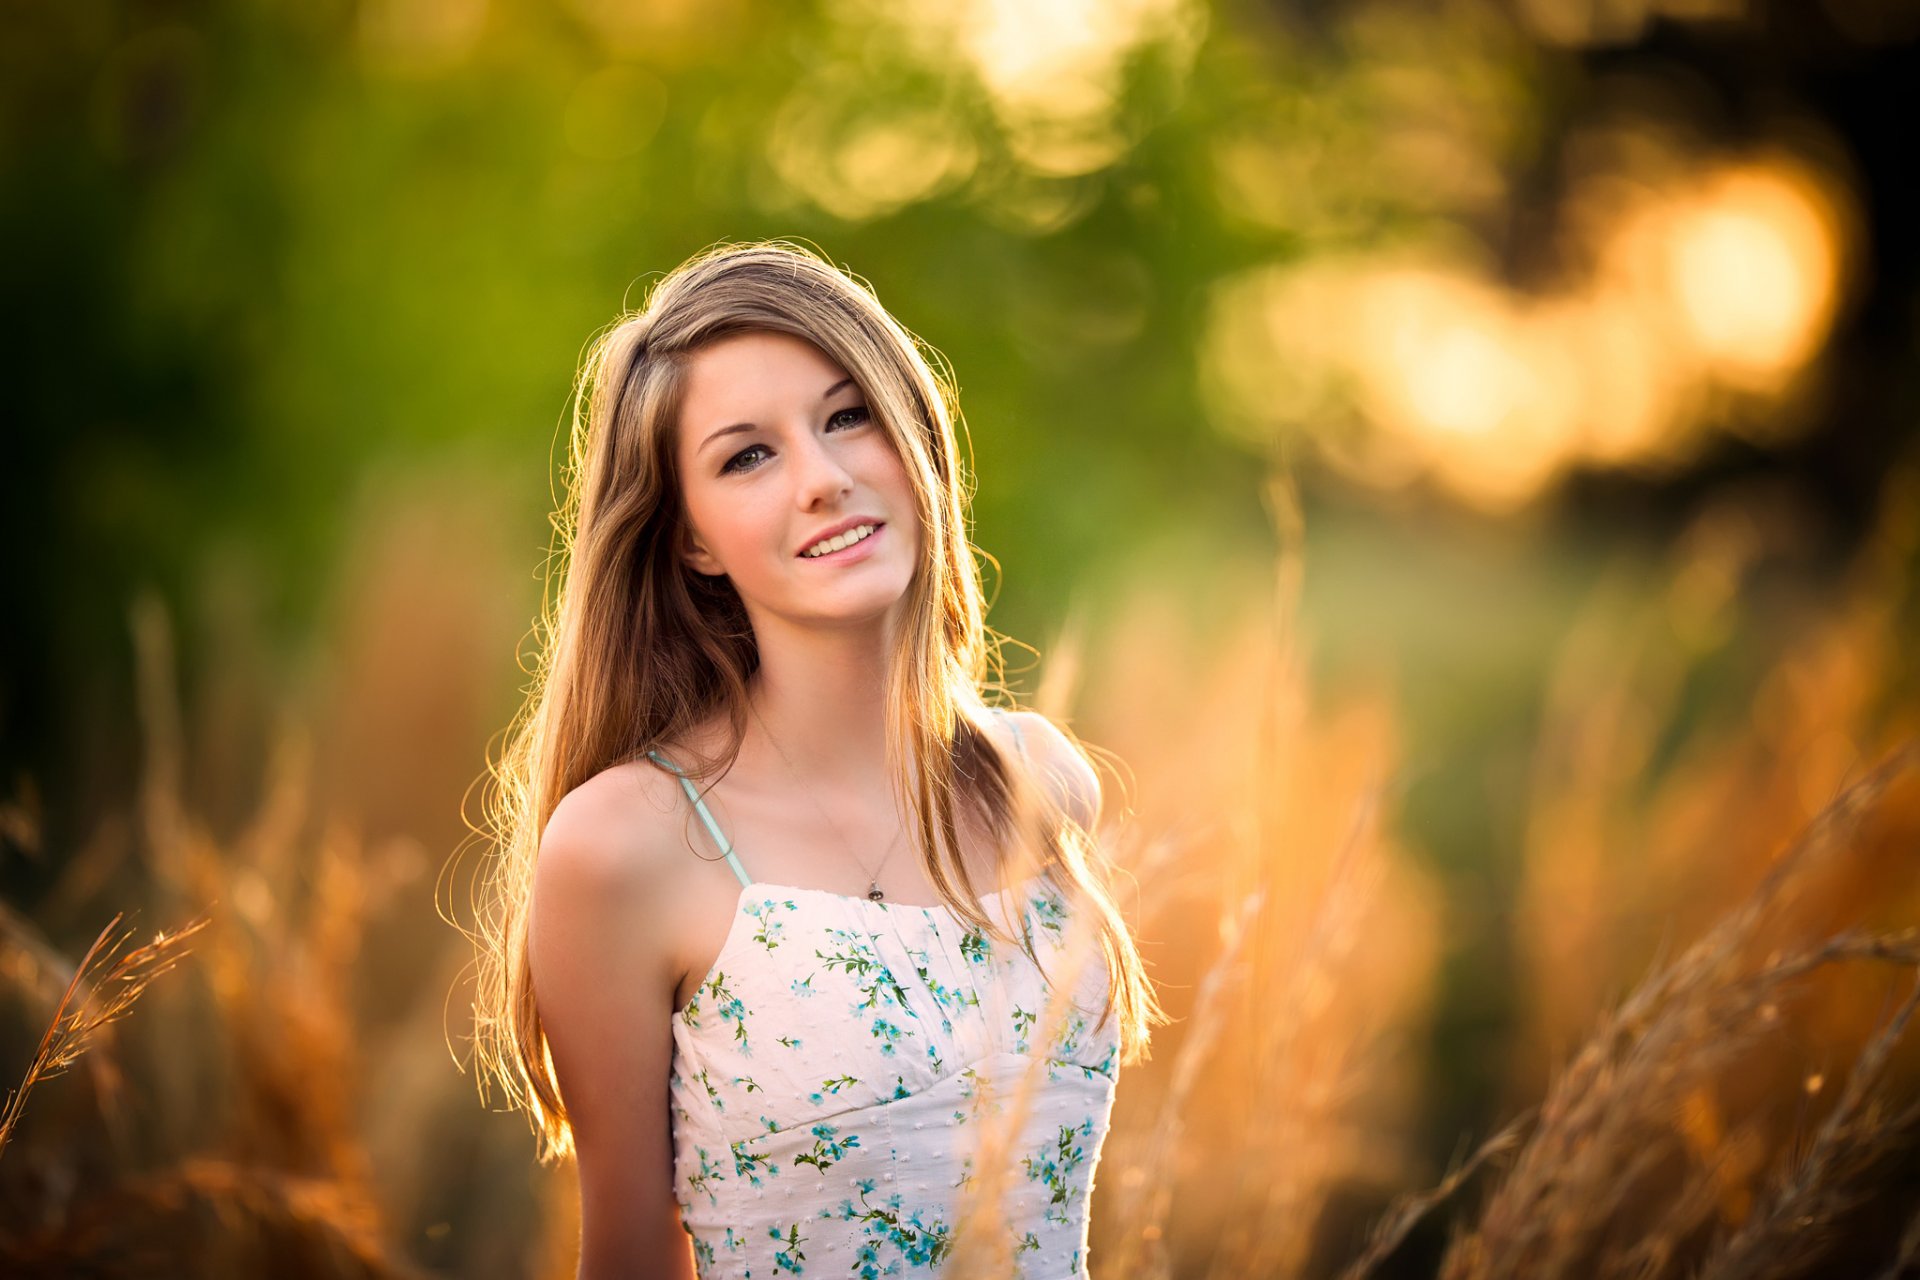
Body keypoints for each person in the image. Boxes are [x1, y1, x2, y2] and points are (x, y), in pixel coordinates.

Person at [471, 241, 1162, 1279]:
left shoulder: (1037, 779)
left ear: (912, 431)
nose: (825, 481)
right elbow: (627, 1257)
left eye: (849, 416)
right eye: (747, 456)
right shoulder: (626, 845)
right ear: (693, 538)